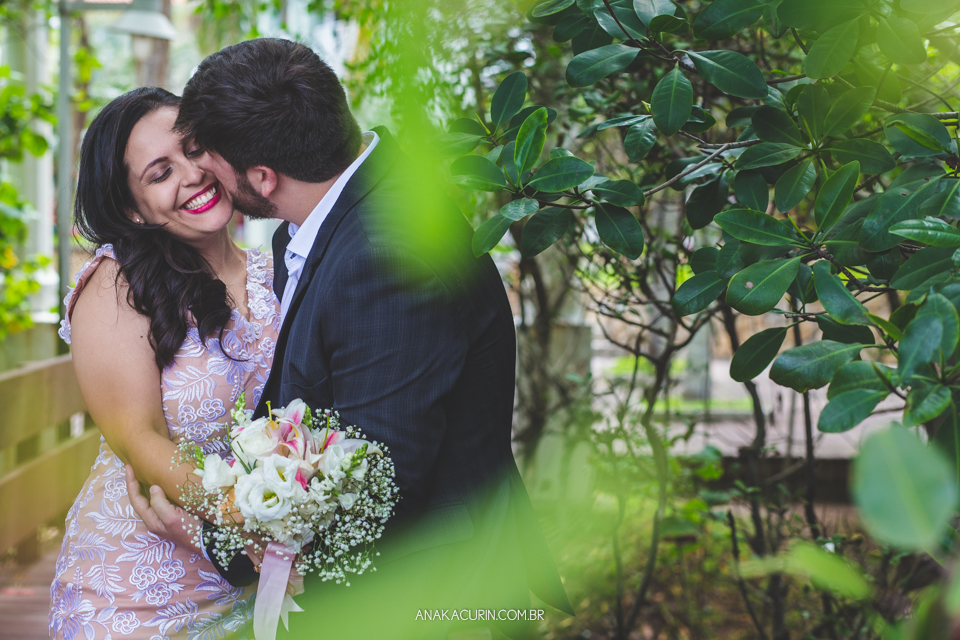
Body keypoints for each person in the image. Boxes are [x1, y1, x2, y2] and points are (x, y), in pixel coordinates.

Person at [126, 38, 572, 640]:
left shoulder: (386, 257)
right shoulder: (320, 225)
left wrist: (207, 534)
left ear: (262, 176)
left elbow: (378, 485)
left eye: (210, 156)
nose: (204, 172)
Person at [49, 86, 279, 639]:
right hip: (133, 594)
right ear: (132, 208)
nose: (193, 175)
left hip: (257, 583)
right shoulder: (116, 284)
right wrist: (246, 523)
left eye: (195, 149)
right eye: (159, 173)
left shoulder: (280, 271)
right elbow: (141, 440)